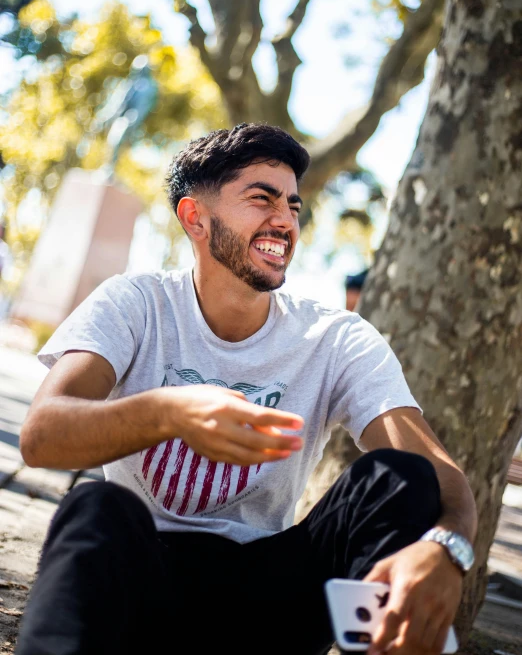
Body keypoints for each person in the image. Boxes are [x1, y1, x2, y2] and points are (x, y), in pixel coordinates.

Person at [17, 123, 477, 655]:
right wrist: (170, 411)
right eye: (262, 199)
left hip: (269, 604)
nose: (284, 220)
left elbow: (442, 479)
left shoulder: (334, 338)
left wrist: (448, 549)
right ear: (195, 218)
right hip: (140, 590)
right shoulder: (135, 303)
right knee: (94, 506)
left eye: (294, 206)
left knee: (401, 477)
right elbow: (42, 434)